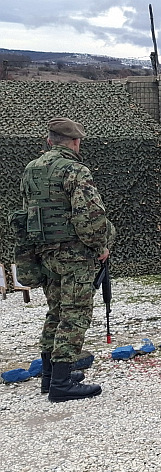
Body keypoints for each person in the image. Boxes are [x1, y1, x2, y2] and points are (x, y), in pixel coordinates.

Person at [18, 118, 115, 402]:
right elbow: (90, 215)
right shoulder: (75, 169)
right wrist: (101, 247)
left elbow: (27, 213)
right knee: (75, 313)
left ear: (49, 141)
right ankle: (62, 384)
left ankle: (50, 377)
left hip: (44, 252)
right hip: (75, 254)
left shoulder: (31, 169)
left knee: (56, 311)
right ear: (75, 142)